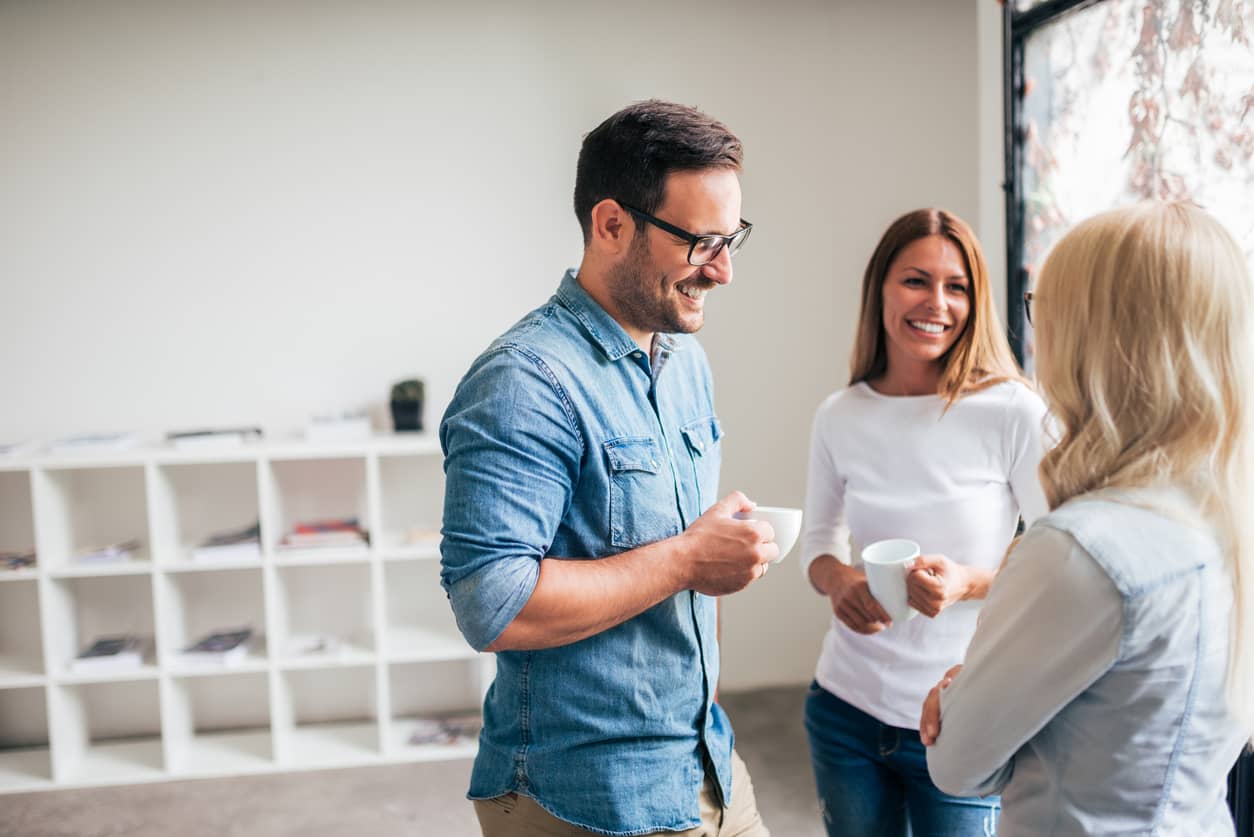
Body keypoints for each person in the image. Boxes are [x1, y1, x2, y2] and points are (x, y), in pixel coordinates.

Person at [439, 100, 776, 837]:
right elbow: (492, 601)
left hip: (704, 758)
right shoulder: (522, 381)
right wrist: (690, 558)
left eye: (732, 239)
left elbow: (685, 555)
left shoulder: (685, 359)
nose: (722, 270)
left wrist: (712, 559)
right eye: (700, 242)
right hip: (584, 794)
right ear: (612, 224)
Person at [923, 201, 1254, 835]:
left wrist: (963, 694)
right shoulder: (1225, 516)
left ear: (1099, 340)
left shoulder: (1080, 550)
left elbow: (957, 766)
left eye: (1043, 311)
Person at [799, 208, 1047, 836]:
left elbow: (1058, 558)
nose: (936, 302)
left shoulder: (1012, 410)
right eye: (916, 280)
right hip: (844, 711)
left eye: (956, 286)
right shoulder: (840, 414)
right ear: (880, 287)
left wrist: (969, 582)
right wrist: (840, 583)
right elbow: (820, 544)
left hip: (963, 713)